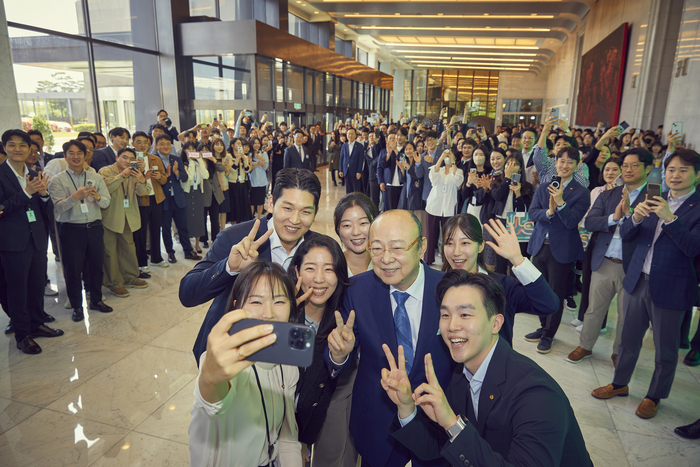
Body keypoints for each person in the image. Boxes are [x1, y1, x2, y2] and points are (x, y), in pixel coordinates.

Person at [383, 270, 593, 467]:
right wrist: (407, 408)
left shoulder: (537, 394)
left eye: (465, 314)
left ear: (496, 323)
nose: (452, 326)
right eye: (445, 315)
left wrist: (452, 423)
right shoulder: (461, 375)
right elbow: (439, 448)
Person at [325, 209, 454, 467]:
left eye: (396, 248)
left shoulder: (450, 289)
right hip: (377, 424)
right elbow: (342, 354)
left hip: (436, 425)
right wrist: (340, 354)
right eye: (376, 248)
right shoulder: (357, 291)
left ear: (422, 246)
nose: (385, 259)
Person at [591, 149, 700, 419]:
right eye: (671, 170)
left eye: (683, 170)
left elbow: (692, 248)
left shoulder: (695, 207)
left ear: (697, 175)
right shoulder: (653, 197)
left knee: (665, 349)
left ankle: (654, 396)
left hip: (671, 287)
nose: (675, 175)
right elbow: (628, 233)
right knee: (628, 340)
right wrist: (635, 217)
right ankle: (619, 384)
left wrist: (670, 218)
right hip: (638, 279)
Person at [183, 168, 322, 363]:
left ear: (315, 212)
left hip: (286, 353)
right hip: (232, 353)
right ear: (271, 203)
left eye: (306, 211)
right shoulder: (236, 237)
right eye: (287, 208)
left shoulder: (319, 248)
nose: (295, 220)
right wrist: (229, 268)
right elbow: (187, 294)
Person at [189, 261, 302, 466]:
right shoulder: (226, 361)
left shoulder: (288, 364)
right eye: (256, 302)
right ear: (236, 307)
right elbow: (212, 402)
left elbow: (287, 436)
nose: (268, 313)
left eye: (279, 302)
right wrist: (210, 378)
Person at [567, 152, 648, 365]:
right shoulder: (608, 195)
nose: (628, 169)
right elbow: (591, 222)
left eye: (634, 165)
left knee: (625, 315)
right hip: (603, 261)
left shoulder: (653, 198)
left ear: (648, 168)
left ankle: (618, 352)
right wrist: (615, 217)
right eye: (625, 165)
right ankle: (585, 345)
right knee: (594, 309)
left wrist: (632, 216)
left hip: (632, 266)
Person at [289, 236, 357, 467]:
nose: (319, 279)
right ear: (297, 270)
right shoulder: (282, 311)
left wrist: (339, 356)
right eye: (310, 268)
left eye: (329, 269)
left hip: (309, 426)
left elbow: (320, 384)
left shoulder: (343, 320)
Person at [440, 214, 558, 345]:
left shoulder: (503, 286)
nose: (456, 252)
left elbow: (549, 305)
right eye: (449, 243)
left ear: (480, 246)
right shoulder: (437, 285)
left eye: (465, 243)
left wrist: (517, 259)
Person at [0, 130, 63, 355]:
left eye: (22, 145)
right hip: (12, 242)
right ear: (5, 147)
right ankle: (22, 334)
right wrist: (27, 193)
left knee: (36, 285)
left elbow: (45, 210)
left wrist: (44, 194)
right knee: (17, 290)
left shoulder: (35, 173)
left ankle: (36, 324)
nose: (17, 149)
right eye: (12, 145)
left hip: (37, 238)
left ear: (29, 149)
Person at [524, 146, 591, 354]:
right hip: (539, 246)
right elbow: (533, 214)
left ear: (577, 165)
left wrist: (561, 203)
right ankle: (543, 326)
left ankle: (549, 335)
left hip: (561, 251)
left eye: (570, 162)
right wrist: (549, 212)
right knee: (538, 289)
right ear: (556, 163)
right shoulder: (544, 186)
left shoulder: (581, 193)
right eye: (561, 161)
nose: (565, 165)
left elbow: (572, 223)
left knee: (555, 293)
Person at [48, 140, 112, 321]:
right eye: (71, 153)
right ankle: (77, 306)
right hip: (71, 230)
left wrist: (97, 196)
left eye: (79, 153)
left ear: (85, 155)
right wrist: (75, 196)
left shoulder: (96, 177)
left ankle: (96, 300)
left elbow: (106, 202)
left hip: (94, 227)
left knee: (96, 267)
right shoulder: (57, 179)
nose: (75, 157)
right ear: (65, 155)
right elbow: (59, 207)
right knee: (73, 270)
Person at [98, 147, 150, 298]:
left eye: (131, 159)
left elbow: (144, 192)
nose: (128, 161)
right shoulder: (105, 171)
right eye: (124, 158)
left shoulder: (135, 172)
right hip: (110, 216)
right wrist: (121, 175)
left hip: (128, 216)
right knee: (110, 251)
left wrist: (141, 179)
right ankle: (115, 283)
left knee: (128, 248)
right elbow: (105, 189)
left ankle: (130, 277)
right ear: (117, 157)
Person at [154, 134, 200, 263]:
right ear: (156, 146)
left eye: (168, 144)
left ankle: (188, 251)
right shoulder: (154, 159)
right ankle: (170, 252)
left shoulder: (176, 159)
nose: (165, 146)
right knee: (166, 229)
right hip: (163, 199)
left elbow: (185, 178)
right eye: (162, 144)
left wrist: (177, 173)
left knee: (183, 227)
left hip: (178, 198)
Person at [131, 131, 168, 270]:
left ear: (149, 144)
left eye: (145, 142)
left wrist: (159, 176)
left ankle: (156, 258)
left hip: (156, 198)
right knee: (140, 233)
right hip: (141, 200)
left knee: (155, 229)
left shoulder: (155, 158)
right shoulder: (132, 160)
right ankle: (141, 262)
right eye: (138, 142)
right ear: (133, 144)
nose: (142, 145)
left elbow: (164, 179)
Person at [424, 149, 464, 265]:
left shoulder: (458, 171)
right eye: (446, 155)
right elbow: (433, 178)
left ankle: (447, 260)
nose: (448, 156)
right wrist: (441, 157)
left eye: (450, 155)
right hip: (434, 206)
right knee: (430, 234)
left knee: (448, 236)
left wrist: (453, 162)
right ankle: (428, 259)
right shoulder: (438, 169)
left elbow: (458, 182)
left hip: (449, 208)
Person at [334, 192, 378, 277]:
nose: (356, 232)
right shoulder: (333, 268)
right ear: (338, 229)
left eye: (363, 223)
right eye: (347, 225)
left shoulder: (385, 265)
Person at [180, 143, 209, 254]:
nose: (191, 150)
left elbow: (205, 176)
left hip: (198, 193)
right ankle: (189, 244)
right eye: (188, 149)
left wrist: (200, 160)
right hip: (187, 193)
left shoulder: (199, 162)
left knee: (198, 219)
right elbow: (189, 177)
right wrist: (191, 161)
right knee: (187, 219)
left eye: (193, 149)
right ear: (184, 150)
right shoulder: (183, 163)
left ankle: (197, 244)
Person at [339, 128, 365, 195]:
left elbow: (361, 160)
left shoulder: (360, 146)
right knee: (348, 191)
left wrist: (359, 171)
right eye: (348, 134)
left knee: (356, 191)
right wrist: (341, 170)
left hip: (355, 172)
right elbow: (341, 159)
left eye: (352, 133)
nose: (350, 135)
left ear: (355, 135)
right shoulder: (344, 146)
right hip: (346, 171)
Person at [249, 137, 270, 219]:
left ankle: (259, 218)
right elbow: (248, 169)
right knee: (252, 202)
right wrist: (256, 165)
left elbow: (266, 168)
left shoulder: (264, 154)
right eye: (255, 143)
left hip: (262, 181)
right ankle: (251, 218)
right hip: (252, 181)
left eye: (258, 143)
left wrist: (262, 160)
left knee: (260, 202)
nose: (257, 145)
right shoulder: (249, 154)